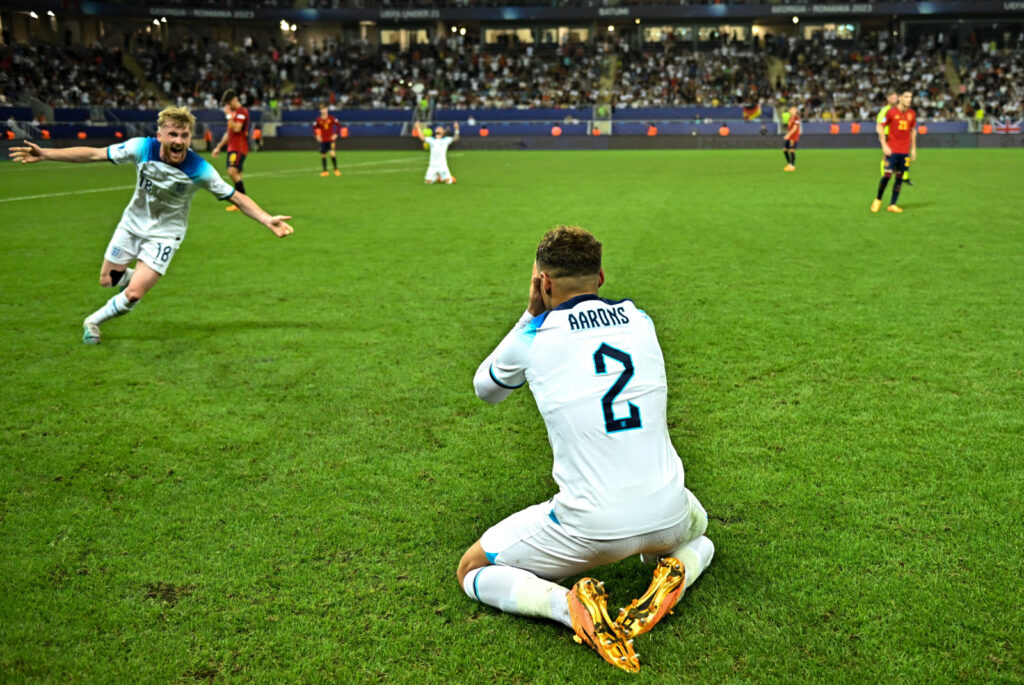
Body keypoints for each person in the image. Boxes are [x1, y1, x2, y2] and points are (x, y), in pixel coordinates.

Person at [458, 226, 715, 673]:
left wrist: (529, 314)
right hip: (669, 512)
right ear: (600, 277)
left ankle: (567, 606)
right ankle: (678, 572)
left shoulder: (534, 336)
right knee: (702, 536)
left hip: (588, 529)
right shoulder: (641, 320)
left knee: (471, 569)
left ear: (543, 281)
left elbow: (487, 389)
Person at [8, 106, 293, 345]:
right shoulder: (141, 147)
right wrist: (46, 154)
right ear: (160, 136)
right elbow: (94, 154)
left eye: (184, 135)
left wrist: (266, 219)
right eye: (173, 134)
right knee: (108, 280)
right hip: (131, 225)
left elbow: (236, 196)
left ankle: (93, 321)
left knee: (133, 294)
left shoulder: (200, 169)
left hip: (166, 235)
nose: (179, 140)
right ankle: (140, 276)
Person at [871, 90, 917, 214]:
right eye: (906, 97)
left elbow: (912, 130)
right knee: (887, 175)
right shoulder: (891, 112)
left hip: (904, 152)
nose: (909, 99)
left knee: (899, 178)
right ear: (900, 98)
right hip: (892, 150)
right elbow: (879, 126)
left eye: (910, 97)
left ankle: (892, 204)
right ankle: (878, 199)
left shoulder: (912, 113)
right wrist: (884, 145)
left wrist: (913, 149)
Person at [212, 89, 250, 212]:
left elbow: (237, 129)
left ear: (234, 100)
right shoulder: (234, 114)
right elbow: (229, 133)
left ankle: (241, 203)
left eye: (229, 103)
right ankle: (243, 203)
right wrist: (218, 147)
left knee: (232, 171)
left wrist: (228, 115)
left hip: (239, 147)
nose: (228, 107)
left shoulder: (242, 112)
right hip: (233, 147)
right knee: (237, 174)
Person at [876, 91, 913, 186]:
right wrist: (883, 136)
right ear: (888, 99)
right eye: (892, 98)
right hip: (889, 136)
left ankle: (905, 176)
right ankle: (885, 174)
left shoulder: (901, 109)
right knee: (887, 155)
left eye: (895, 98)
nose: (894, 100)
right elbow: (880, 124)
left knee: (905, 156)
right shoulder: (885, 110)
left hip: (901, 136)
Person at [413, 120, 459, 184]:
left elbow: (456, 138)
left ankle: (448, 177)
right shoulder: (431, 140)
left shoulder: (446, 140)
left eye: (440, 129)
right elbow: (422, 138)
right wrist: (418, 127)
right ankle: (437, 177)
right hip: (432, 165)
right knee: (427, 183)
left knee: (449, 182)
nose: (438, 130)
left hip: (442, 165)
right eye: (437, 129)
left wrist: (457, 129)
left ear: (443, 132)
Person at [313, 103, 341, 177]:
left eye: (325, 109)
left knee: (332, 153)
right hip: (323, 140)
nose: (324, 110)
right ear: (320, 111)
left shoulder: (331, 118)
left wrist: (336, 134)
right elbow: (314, 127)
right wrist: (317, 135)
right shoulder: (318, 120)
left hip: (331, 139)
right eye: (322, 109)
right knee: (323, 155)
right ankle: (325, 171)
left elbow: (338, 125)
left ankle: (336, 169)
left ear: (327, 110)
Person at [782, 105, 801, 171]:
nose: (790, 110)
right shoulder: (790, 118)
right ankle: (789, 164)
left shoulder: (797, 118)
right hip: (790, 137)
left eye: (792, 109)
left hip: (793, 137)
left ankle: (792, 166)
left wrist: (788, 135)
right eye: (790, 109)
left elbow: (795, 128)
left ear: (795, 110)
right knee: (785, 150)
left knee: (792, 150)